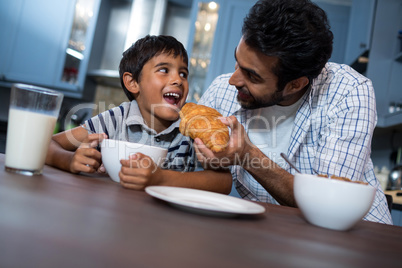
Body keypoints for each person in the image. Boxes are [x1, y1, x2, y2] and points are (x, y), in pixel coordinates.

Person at [195, 0, 392, 224]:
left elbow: (328, 204)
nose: (233, 80)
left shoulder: (349, 92)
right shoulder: (221, 92)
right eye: (237, 62)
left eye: (252, 76)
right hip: (271, 231)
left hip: (357, 237)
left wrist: (247, 155)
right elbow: (203, 170)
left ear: (295, 85)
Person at [46, 35, 231, 194]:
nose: (178, 80)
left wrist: (160, 178)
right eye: (164, 70)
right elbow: (46, 144)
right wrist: (70, 160)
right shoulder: (115, 120)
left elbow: (223, 182)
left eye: (183, 73)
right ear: (133, 82)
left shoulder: (190, 129)